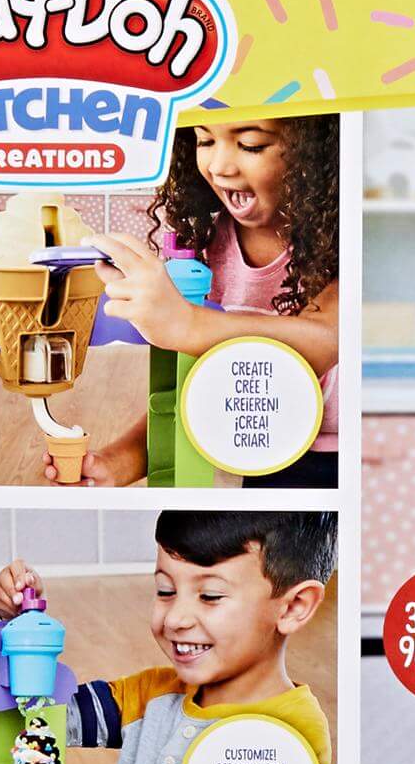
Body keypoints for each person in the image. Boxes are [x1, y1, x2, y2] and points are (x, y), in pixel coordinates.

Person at [0, 513, 335, 764]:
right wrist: (24, 632)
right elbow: (45, 716)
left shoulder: (294, 734)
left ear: (293, 606)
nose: (175, 619)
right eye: (166, 590)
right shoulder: (153, 694)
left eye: (210, 595)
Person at [71, 115, 340, 488]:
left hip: (347, 461)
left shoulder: (345, 241)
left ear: (315, 151)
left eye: (250, 145)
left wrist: (187, 323)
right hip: (264, 451)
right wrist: (120, 460)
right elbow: (194, 383)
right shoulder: (208, 246)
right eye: (205, 141)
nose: (220, 166)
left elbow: (325, 339)